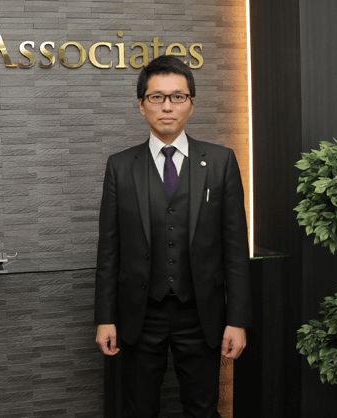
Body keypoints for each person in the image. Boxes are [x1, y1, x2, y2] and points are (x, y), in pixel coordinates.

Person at [94, 55, 251, 418]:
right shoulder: (120, 167)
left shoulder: (221, 162)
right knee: (138, 409)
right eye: (157, 97)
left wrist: (238, 320)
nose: (167, 106)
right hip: (139, 315)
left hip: (201, 314)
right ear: (141, 105)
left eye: (177, 97)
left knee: (202, 409)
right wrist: (105, 317)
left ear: (191, 104)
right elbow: (109, 250)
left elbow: (235, 249)